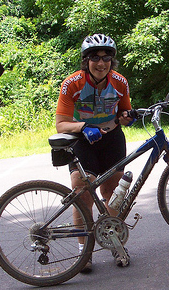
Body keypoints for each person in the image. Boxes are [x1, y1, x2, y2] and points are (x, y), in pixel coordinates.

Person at [56, 33, 134, 272]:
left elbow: (125, 113)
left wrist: (126, 117)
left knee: (113, 192)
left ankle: (114, 243)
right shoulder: (72, 83)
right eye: (95, 58)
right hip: (82, 140)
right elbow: (61, 124)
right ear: (86, 60)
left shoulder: (120, 82)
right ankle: (84, 252)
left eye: (106, 58)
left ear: (112, 60)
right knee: (82, 193)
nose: (101, 63)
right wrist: (83, 127)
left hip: (111, 139)